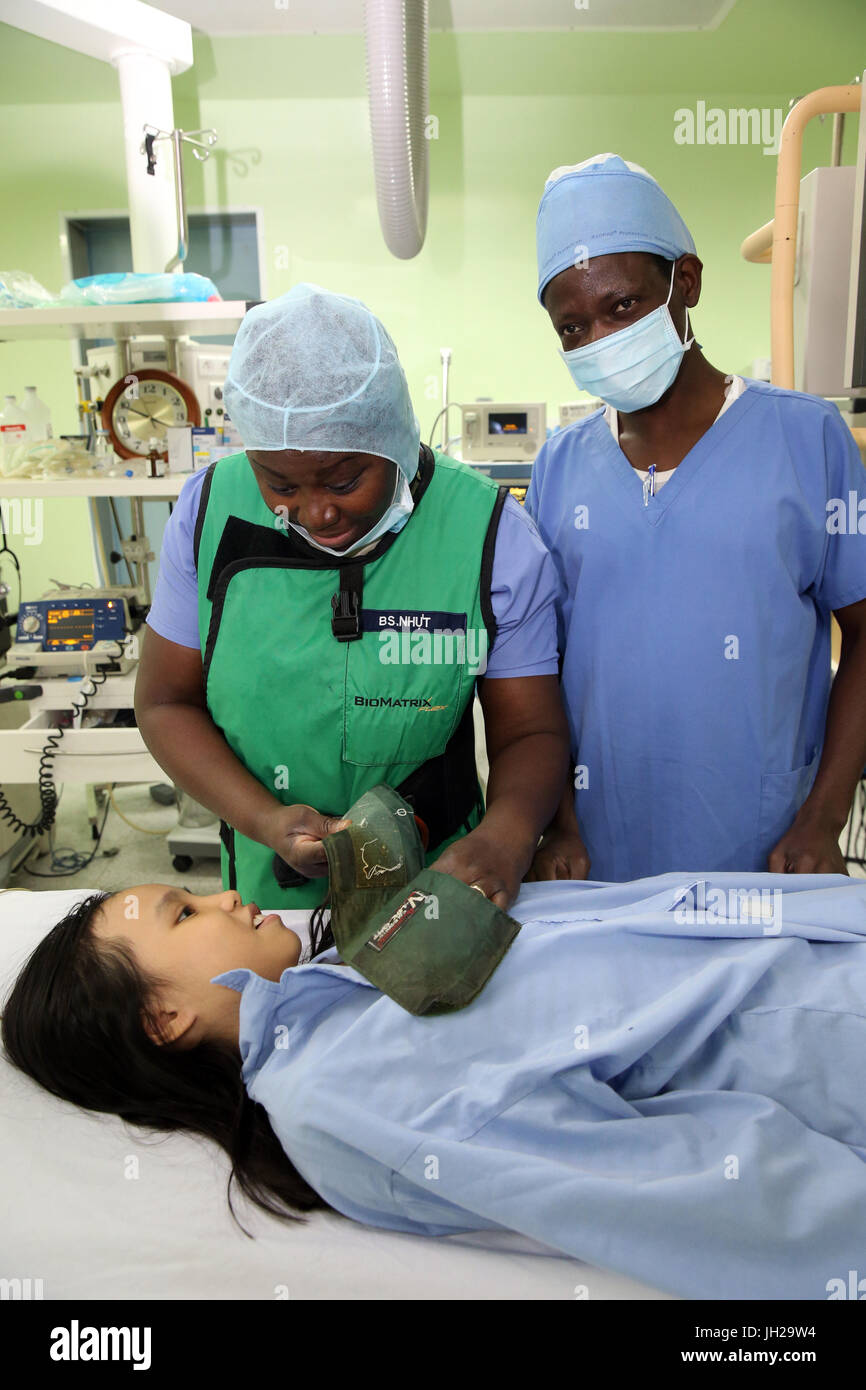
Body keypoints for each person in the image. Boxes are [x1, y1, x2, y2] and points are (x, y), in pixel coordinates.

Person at [4, 874, 866, 1300]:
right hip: (824, 1028)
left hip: (815, 938)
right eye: (185, 914)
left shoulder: (341, 973)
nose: (229, 892)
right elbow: (685, 1189)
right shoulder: (341, 1097)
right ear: (162, 1022)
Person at [137, 283, 568, 909]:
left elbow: (530, 732)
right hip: (265, 905)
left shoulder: (489, 533)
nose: (316, 513)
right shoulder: (208, 515)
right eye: (278, 482)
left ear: (390, 436)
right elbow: (163, 704)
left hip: (441, 891)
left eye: (345, 480)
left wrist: (508, 837)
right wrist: (265, 820)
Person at [525, 153, 866, 884]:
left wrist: (822, 819)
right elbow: (534, 669)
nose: (601, 340)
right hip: (596, 848)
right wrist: (556, 821)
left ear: (686, 282)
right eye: (573, 328)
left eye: (622, 307)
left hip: (765, 844)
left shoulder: (806, 440)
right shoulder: (560, 466)